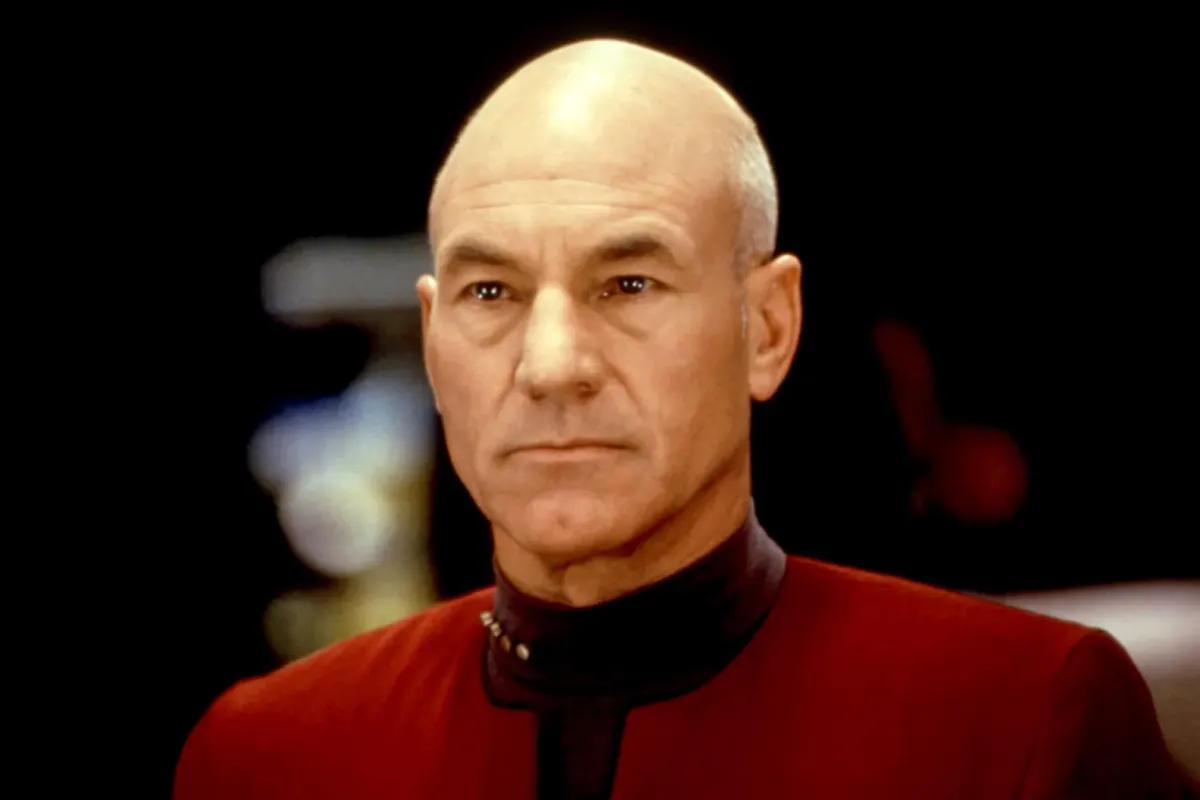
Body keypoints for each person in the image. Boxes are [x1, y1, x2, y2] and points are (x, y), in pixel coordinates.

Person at [174, 39, 1193, 799]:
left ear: (769, 327)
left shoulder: (1019, 719)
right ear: (436, 341)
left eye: (628, 283)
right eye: (492, 293)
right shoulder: (268, 754)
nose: (552, 365)